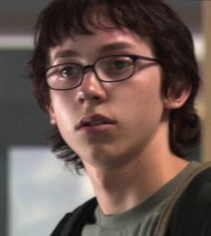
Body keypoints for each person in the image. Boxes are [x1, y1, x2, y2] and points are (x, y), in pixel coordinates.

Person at [28, 0, 211, 235]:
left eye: (118, 64)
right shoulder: (69, 229)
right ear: (49, 105)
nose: (88, 89)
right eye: (66, 71)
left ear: (176, 88)